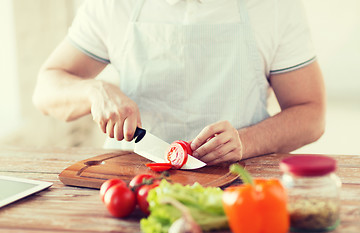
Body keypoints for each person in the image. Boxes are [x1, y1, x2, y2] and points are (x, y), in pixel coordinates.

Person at [33, 0, 326, 165]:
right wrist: (95, 90)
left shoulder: (275, 8)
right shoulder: (113, 5)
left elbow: (311, 114)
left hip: (239, 178)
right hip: (132, 182)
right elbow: (45, 89)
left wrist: (245, 141)